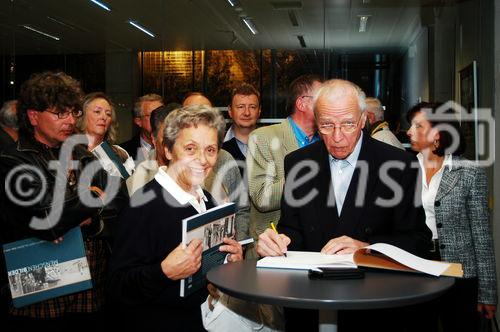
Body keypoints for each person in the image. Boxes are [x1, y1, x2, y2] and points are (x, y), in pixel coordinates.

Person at [257, 79, 430, 331]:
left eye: (348, 124)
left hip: (372, 305)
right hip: (309, 301)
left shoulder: (398, 164)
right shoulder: (298, 163)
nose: (337, 137)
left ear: (362, 119)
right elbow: (292, 229)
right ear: (316, 121)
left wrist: (368, 249)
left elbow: (418, 241)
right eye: (327, 125)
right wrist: (277, 241)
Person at [0, 71, 127, 329]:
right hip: (41, 289)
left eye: (74, 112)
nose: (70, 120)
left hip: (90, 287)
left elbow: (120, 202)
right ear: (34, 116)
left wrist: (91, 223)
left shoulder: (81, 152)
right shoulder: (13, 159)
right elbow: (49, 218)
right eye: (60, 113)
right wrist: (92, 195)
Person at [108, 105, 243, 331]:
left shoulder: (207, 198)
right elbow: (118, 286)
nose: (202, 159)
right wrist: (163, 272)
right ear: (168, 151)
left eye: (210, 150)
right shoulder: (143, 206)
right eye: (190, 149)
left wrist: (229, 261)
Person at [407, 101, 497, 331]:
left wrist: (487, 293)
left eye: (418, 126)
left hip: (460, 273)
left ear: (438, 134)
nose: (409, 132)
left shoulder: (469, 172)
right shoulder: (402, 169)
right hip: (416, 268)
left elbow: (481, 234)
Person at [246, 74, 322, 257]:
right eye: (322, 98)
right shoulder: (263, 138)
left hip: (318, 249)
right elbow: (262, 198)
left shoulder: (328, 141)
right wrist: (309, 172)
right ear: (302, 103)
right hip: (273, 249)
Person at [126, 103, 180, 196]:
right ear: (154, 140)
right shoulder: (136, 184)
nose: (176, 144)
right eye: (168, 137)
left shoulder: (206, 173)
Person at [77, 92, 135, 179]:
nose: (104, 117)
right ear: (82, 116)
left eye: (108, 114)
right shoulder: (72, 152)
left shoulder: (120, 153)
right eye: (97, 112)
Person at [223, 83, 261, 176]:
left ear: (259, 111)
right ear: (230, 111)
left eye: (252, 107)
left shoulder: (272, 145)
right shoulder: (216, 146)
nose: (247, 113)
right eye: (240, 107)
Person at [120, 94, 164, 164]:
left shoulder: (174, 148)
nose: (158, 119)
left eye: (161, 114)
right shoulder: (123, 152)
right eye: (152, 115)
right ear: (139, 121)